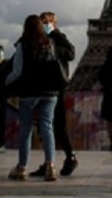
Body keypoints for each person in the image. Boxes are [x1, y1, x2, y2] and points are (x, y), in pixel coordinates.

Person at [4, 14, 66, 182]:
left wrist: (5, 83)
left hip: (29, 92)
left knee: (25, 130)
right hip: (50, 92)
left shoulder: (23, 45)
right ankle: (50, 166)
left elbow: (17, 71)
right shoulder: (50, 43)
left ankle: (22, 167)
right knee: (47, 127)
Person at [27, 12, 78, 177]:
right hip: (47, 87)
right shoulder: (41, 39)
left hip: (56, 87)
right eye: (42, 22)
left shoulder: (58, 37)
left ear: (53, 23)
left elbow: (71, 54)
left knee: (56, 126)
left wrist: (53, 47)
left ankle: (68, 156)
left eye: (46, 22)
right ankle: (50, 162)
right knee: (48, 127)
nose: (43, 24)